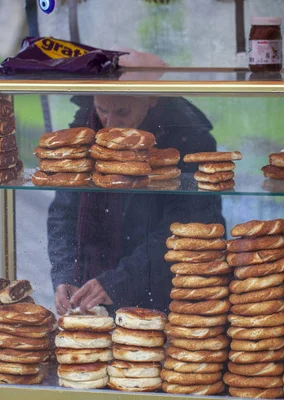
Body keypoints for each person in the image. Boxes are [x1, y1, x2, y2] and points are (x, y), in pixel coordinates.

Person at [48, 50, 225, 315]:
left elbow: (186, 229)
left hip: (169, 296)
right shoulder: (84, 132)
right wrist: (63, 273)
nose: (109, 124)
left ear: (151, 98)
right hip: (92, 292)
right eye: (102, 110)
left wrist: (118, 282)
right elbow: (64, 212)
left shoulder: (190, 140)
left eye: (122, 112)